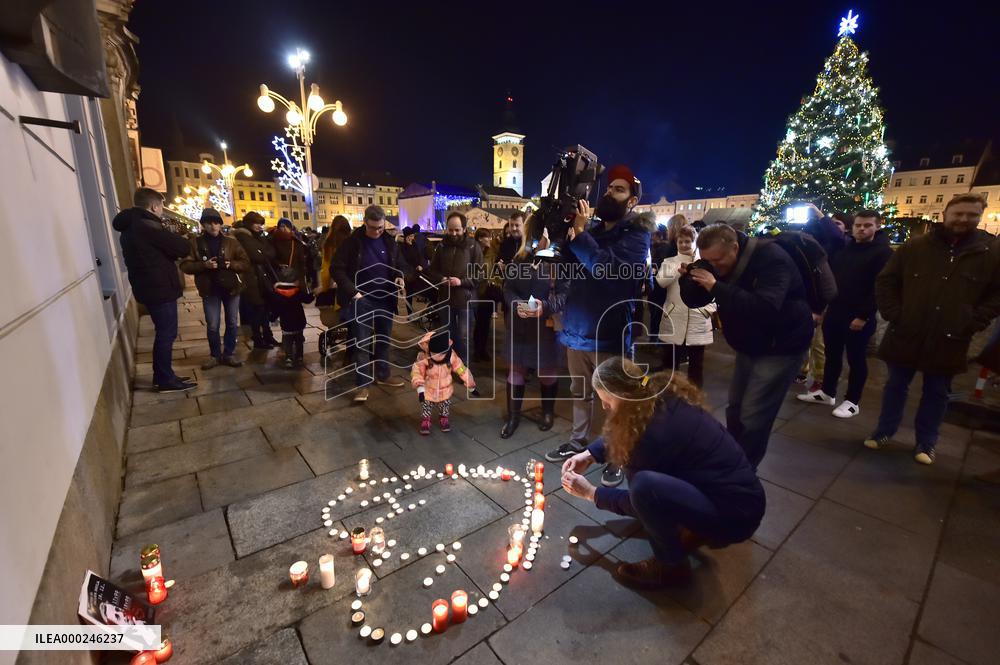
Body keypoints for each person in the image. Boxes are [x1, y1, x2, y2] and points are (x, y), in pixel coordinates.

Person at [560, 357, 765, 588]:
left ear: (623, 396)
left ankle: (670, 567)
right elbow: (629, 428)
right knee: (649, 488)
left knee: (644, 486)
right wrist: (590, 454)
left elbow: (641, 499)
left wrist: (592, 494)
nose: (605, 407)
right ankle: (689, 526)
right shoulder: (657, 394)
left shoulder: (653, 436)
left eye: (606, 401)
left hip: (734, 516)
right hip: (741, 497)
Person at [542, 164, 655, 490]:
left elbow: (608, 271)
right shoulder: (590, 230)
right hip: (577, 329)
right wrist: (561, 231)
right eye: (608, 188)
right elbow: (564, 266)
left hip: (610, 333)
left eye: (619, 189)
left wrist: (582, 233)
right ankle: (578, 442)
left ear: (632, 201)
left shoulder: (637, 235)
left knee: (615, 402)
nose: (609, 193)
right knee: (580, 394)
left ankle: (618, 454)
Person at [865, 193, 1000, 464]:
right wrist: (894, 314)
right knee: (895, 386)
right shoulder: (915, 247)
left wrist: (973, 321)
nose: (963, 219)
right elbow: (886, 281)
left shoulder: (989, 253)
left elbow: (996, 295)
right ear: (945, 215)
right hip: (907, 331)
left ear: (979, 217)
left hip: (950, 337)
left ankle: (926, 443)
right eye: (958, 213)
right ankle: (884, 431)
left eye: (971, 215)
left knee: (937, 392)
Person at [683, 223, 813, 468]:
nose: (716, 268)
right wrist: (691, 281)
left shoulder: (772, 259)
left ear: (735, 246)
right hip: (749, 343)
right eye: (709, 261)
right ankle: (734, 457)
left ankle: (743, 470)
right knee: (735, 408)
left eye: (719, 261)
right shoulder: (716, 262)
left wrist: (715, 285)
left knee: (754, 413)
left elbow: (764, 308)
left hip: (781, 345)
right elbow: (694, 300)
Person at [797, 210, 891, 417]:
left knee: (856, 359)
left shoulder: (883, 253)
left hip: (858, 316)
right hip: (836, 311)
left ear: (877, 226)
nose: (862, 229)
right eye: (858, 225)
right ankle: (828, 392)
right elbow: (831, 280)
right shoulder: (846, 249)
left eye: (867, 225)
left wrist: (863, 316)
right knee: (832, 355)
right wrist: (821, 309)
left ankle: (852, 401)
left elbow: (879, 287)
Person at [112, 187, 195, 392]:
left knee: (164, 333)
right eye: (161, 207)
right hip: (159, 287)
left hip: (149, 285)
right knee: (166, 334)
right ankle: (164, 379)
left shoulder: (131, 225)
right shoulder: (147, 226)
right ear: (154, 206)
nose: (162, 211)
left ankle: (164, 374)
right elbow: (182, 248)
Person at [332, 205, 407, 402]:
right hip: (362, 299)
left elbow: (398, 264)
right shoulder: (352, 243)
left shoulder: (390, 242)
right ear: (365, 222)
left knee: (383, 340)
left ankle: (383, 375)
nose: (377, 232)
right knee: (362, 343)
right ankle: (362, 385)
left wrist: (399, 276)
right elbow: (336, 268)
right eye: (373, 228)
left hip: (386, 298)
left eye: (380, 228)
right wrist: (352, 291)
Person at [500, 224, 569, 438]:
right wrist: (516, 305)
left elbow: (565, 294)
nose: (539, 238)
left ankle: (547, 413)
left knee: (547, 372)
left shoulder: (559, 261)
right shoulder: (520, 259)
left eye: (542, 234)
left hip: (545, 326)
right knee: (516, 371)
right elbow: (508, 288)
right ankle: (513, 416)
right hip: (520, 324)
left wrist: (545, 307)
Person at [179, 209, 250, 369]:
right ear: (203, 224)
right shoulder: (195, 243)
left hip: (231, 287)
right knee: (212, 324)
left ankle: (229, 353)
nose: (213, 226)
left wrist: (230, 264)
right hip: (209, 288)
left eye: (216, 222)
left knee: (232, 322)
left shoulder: (231, 242)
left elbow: (245, 262)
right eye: (209, 223)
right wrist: (204, 265)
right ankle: (215, 355)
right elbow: (185, 265)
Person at [796, 204, 849, 389]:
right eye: (831, 223)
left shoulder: (841, 243)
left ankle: (820, 378)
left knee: (819, 341)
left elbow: (835, 235)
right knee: (804, 336)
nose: (833, 227)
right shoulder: (824, 243)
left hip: (828, 299)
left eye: (838, 224)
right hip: (812, 297)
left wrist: (820, 214)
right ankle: (801, 371)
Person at [655, 225, 715, 386]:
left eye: (688, 241)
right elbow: (661, 282)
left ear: (695, 242)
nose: (684, 245)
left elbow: (714, 290)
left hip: (698, 319)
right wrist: (678, 268)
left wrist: (707, 310)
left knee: (696, 365)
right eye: (680, 241)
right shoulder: (669, 262)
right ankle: (669, 395)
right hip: (674, 317)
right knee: (670, 363)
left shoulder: (704, 264)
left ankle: (695, 400)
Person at [426, 211, 484, 366]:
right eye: (450, 230)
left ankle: (463, 366)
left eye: (457, 230)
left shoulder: (473, 246)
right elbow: (432, 270)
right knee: (448, 334)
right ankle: (450, 362)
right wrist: (441, 279)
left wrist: (462, 282)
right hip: (446, 299)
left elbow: (480, 274)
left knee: (464, 336)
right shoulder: (442, 245)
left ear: (464, 229)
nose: (453, 233)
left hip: (466, 299)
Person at [411, 329, 477, 435]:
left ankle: (444, 417)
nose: (438, 357)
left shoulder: (451, 356)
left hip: (445, 388)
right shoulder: (424, 357)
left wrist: (469, 381)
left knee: (445, 405)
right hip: (429, 389)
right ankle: (426, 420)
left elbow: (461, 369)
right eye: (434, 354)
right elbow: (417, 371)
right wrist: (419, 385)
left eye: (440, 354)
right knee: (426, 405)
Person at [232, 211, 278, 350]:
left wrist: (264, 253)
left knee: (264, 308)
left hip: (260, 278)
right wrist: (265, 254)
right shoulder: (243, 237)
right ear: (249, 223)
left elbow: (270, 252)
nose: (259, 226)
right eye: (256, 223)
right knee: (258, 309)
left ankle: (268, 336)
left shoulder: (256, 237)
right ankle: (258, 339)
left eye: (260, 224)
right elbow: (257, 256)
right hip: (251, 279)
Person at [270, 266, 314, 368]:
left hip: (286, 323)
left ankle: (289, 357)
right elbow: (307, 299)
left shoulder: (278, 295)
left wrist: (272, 317)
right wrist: (313, 293)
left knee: (287, 341)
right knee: (299, 340)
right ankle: (299, 357)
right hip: (299, 322)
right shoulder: (298, 292)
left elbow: (276, 310)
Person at [472, 228, 498, 362]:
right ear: (480, 238)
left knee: (485, 323)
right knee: (476, 323)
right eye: (487, 237)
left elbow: (492, 269)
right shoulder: (474, 252)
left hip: (487, 292)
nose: (490, 239)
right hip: (475, 292)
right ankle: (476, 350)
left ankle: (482, 350)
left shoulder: (490, 252)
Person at [400, 226, 430, 317]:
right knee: (409, 294)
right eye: (410, 236)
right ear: (406, 237)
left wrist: (420, 265)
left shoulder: (414, 244)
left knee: (424, 289)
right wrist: (413, 267)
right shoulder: (402, 248)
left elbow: (419, 256)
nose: (412, 238)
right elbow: (403, 261)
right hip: (408, 275)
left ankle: (428, 310)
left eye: (413, 236)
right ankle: (410, 313)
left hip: (418, 273)